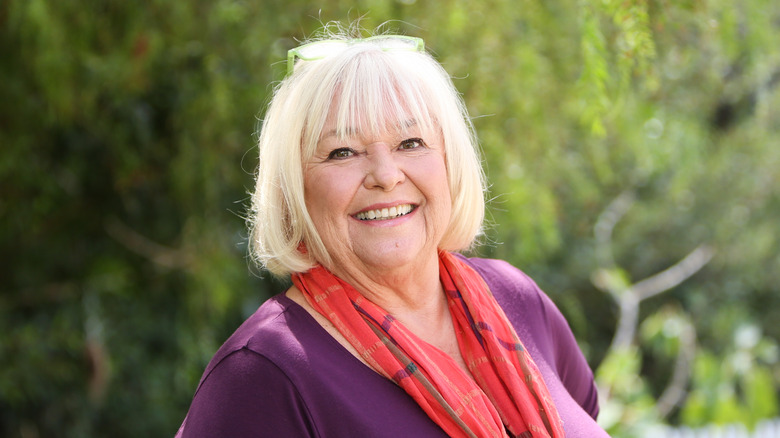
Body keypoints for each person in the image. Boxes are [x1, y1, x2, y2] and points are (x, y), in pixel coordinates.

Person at [176, 28, 610, 438]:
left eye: (410, 143)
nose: (385, 175)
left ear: (449, 163)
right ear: (294, 189)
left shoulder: (517, 299)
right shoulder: (263, 373)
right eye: (341, 152)